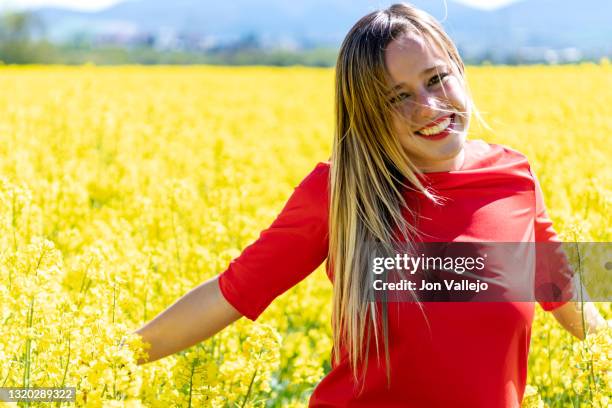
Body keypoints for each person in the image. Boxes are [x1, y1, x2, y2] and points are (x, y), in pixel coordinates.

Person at [133, 3, 607, 407]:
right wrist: (102, 363)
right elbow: (230, 293)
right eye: (397, 97)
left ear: (460, 70)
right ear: (366, 113)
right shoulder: (342, 192)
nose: (426, 106)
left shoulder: (514, 177)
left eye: (436, 79)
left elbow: (561, 286)